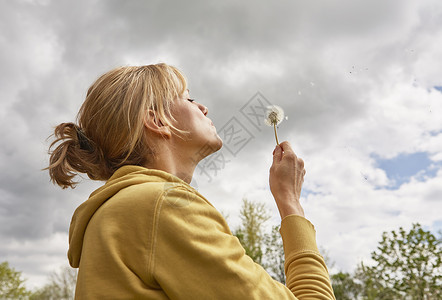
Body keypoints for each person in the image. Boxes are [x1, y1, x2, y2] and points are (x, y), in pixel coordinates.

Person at [46, 63, 335, 299]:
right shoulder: (162, 206)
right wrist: (290, 202)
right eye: (189, 99)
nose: (204, 107)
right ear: (157, 121)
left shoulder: (114, 215)